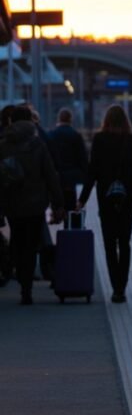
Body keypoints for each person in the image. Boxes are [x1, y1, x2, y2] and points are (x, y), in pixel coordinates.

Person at [0, 105, 64, 305]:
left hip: (12, 204)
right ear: (30, 121)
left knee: (17, 241)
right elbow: (50, 175)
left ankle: (19, 276)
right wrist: (57, 204)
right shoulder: (38, 145)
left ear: (11, 122)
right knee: (31, 245)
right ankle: (26, 288)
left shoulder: (3, 145)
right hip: (36, 204)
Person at [77, 105, 132, 303]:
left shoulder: (99, 139)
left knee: (109, 244)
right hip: (127, 198)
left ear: (106, 120)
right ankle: (122, 285)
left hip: (106, 199)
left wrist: (82, 199)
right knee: (125, 243)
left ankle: (115, 287)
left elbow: (92, 172)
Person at [48, 108, 88, 213]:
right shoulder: (76, 135)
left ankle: (56, 215)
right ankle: (69, 225)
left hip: (56, 176)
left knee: (57, 204)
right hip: (71, 177)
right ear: (71, 119)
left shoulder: (51, 135)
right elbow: (82, 158)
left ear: (59, 119)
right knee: (70, 206)